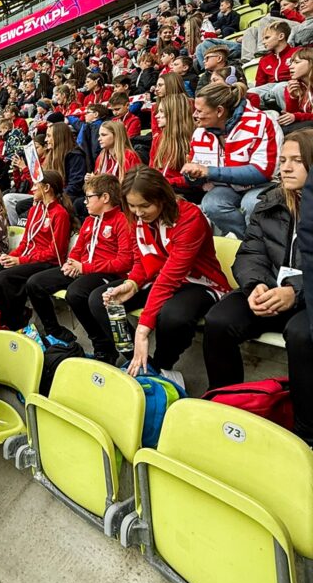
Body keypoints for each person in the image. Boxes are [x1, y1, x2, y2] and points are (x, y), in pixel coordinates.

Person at [84, 167, 230, 371]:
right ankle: (138, 362)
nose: (138, 212)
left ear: (163, 197)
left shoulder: (189, 217)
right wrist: (132, 283)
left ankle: (162, 367)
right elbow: (142, 261)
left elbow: (170, 277)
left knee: (172, 316)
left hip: (199, 283)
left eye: (145, 205)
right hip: (159, 279)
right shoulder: (136, 217)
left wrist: (143, 329)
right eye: (132, 206)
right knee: (102, 300)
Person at [202, 130, 313, 389]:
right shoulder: (269, 202)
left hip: (306, 298)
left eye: (297, 161)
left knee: (302, 335)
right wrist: (256, 285)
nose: (286, 168)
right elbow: (251, 252)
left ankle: (304, 414)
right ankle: (225, 398)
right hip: (272, 290)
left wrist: (294, 292)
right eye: (283, 160)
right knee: (219, 321)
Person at [27, 174, 134, 343]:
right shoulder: (90, 221)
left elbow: (124, 262)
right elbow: (78, 248)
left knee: (75, 293)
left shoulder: (121, 221)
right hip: (83, 269)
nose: (85, 202)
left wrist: (84, 267)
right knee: (35, 283)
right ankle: (54, 332)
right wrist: (71, 263)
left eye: (89, 197)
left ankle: (101, 344)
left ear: (105, 198)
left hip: (107, 274)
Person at [0, 170, 72, 330]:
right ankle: (1, 315)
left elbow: (55, 253)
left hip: (47, 262)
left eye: (35, 185)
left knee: (2, 278)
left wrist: (20, 260)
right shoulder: (34, 210)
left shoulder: (60, 214)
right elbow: (26, 242)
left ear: (46, 188)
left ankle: (14, 323)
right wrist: (11, 256)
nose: (32, 189)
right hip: (28, 258)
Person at [183, 82, 281, 238]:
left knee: (251, 203)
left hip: (265, 184)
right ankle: (247, 241)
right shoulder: (200, 132)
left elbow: (263, 172)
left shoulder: (262, 122)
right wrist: (193, 176)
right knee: (212, 204)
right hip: (228, 187)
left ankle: (260, 243)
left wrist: (209, 171)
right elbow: (198, 177)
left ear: (219, 111)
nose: (194, 115)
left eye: (199, 111)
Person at [150, 93, 199, 199]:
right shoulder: (158, 139)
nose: (156, 115)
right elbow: (152, 169)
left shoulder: (194, 139)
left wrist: (167, 182)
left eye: (161, 111)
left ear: (174, 114)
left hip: (182, 192)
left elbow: (194, 180)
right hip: (161, 188)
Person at [279, 46, 313, 131]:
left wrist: (297, 116)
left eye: (297, 62)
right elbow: (292, 115)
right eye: (291, 63)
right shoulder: (293, 86)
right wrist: (292, 98)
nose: (290, 67)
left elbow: (296, 116)